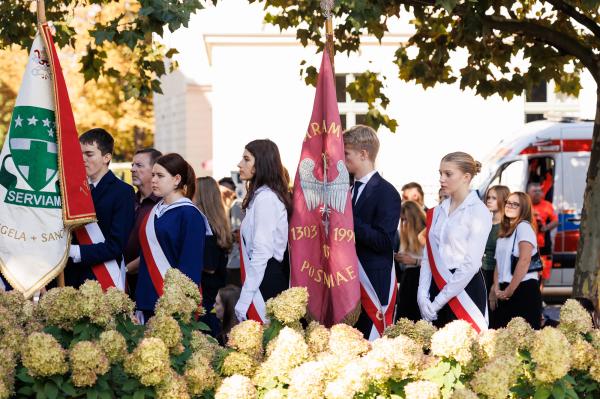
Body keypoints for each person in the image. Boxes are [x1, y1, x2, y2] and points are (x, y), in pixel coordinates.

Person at [417, 152, 491, 332]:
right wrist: (422, 294)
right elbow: (429, 254)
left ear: (466, 177)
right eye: (440, 173)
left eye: (448, 174)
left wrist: (437, 302)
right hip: (436, 287)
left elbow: (471, 263)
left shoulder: (478, 211)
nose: (441, 179)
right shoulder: (438, 211)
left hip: (465, 288)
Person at [135, 153, 210, 319]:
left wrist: (179, 302)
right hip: (145, 296)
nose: (153, 180)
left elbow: (190, 265)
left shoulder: (189, 214)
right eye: (153, 175)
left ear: (176, 179)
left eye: (160, 176)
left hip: (171, 302)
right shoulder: (154, 211)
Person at [344, 125, 401, 340]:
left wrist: (347, 220)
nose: (343, 158)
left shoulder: (386, 192)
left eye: (346, 153)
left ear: (363, 154)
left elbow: (384, 241)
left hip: (372, 282)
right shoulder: (348, 189)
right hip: (348, 280)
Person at [65, 128, 135, 289]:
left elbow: (116, 245)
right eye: (80, 153)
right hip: (71, 280)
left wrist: (74, 251)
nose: (82, 159)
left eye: (89, 154)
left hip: (103, 280)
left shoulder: (122, 192)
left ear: (106, 157)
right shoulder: (73, 190)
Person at [234, 139, 291, 323]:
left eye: (246, 159)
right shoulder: (261, 197)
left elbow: (261, 252)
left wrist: (244, 299)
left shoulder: (266, 199)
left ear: (261, 164)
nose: (240, 164)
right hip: (262, 275)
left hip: (266, 278)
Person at [491, 192, 542, 329]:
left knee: (523, 342)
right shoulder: (504, 232)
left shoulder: (523, 227)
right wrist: (496, 287)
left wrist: (509, 290)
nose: (510, 206)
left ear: (524, 208)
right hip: (504, 290)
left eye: (515, 204)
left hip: (522, 290)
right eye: (508, 202)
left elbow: (524, 260)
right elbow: (498, 264)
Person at [195, 176, 233, 337]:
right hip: (214, 295)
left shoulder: (207, 228)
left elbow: (209, 266)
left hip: (208, 299)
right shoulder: (218, 225)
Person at [124, 148, 162, 297]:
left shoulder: (162, 206)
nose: (132, 169)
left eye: (139, 165)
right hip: (124, 282)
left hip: (150, 284)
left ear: (155, 170)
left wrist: (126, 268)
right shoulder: (128, 200)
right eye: (132, 165)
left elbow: (158, 248)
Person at [395, 201, 426, 322]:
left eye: (405, 220)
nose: (403, 224)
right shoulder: (403, 234)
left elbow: (437, 262)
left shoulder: (426, 233)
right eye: (401, 220)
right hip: (407, 280)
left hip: (421, 278)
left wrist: (415, 261)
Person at [527, 182, 558, 284]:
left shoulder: (547, 205)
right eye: (534, 191)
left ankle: (540, 295)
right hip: (528, 245)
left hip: (543, 245)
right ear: (528, 193)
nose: (537, 193)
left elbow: (556, 221)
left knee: (543, 273)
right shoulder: (525, 205)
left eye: (539, 191)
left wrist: (546, 227)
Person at [482, 185, 510, 294]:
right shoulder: (484, 223)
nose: (489, 201)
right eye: (488, 198)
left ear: (503, 200)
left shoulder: (507, 226)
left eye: (494, 198)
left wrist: (495, 285)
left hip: (498, 277)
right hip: (481, 272)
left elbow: (505, 258)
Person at [219, 177, 243, 287]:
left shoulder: (237, 206)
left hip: (235, 263)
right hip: (225, 263)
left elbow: (238, 235)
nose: (226, 194)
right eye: (222, 190)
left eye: (229, 191)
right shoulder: (218, 209)